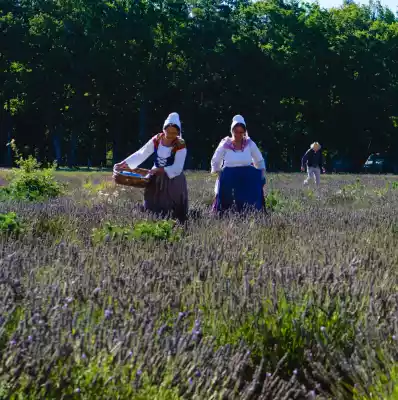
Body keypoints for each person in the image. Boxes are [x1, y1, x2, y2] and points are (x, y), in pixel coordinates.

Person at [114, 112, 188, 222]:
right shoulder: (157, 140)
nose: (171, 135)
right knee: (153, 204)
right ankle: (153, 222)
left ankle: (175, 223)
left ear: (178, 132)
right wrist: (124, 164)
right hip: (155, 177)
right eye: (169, 131)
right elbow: (142, 153)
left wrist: (161, 170)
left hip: (173, 178)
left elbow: (178, 166)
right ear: (164, 129)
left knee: (172, 207)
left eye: (174, 132)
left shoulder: (180, 144)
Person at [211, 115, 266, 213]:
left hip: (246, 178)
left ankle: (252, 212)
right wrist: (219, 173)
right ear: (232, 131)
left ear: (244, 132)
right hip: (230, 178)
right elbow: (216, 160)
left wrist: (261, 176)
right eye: (236, 131)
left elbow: (259, 161)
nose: (238, 134)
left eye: (241, 132)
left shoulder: (249, 143)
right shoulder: (225, 144)